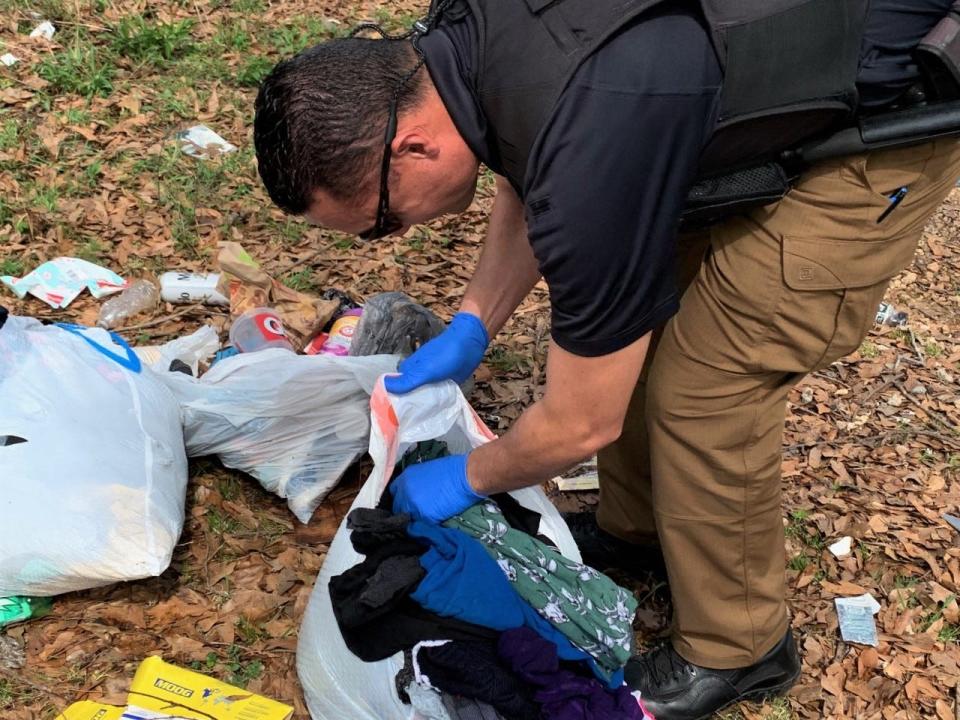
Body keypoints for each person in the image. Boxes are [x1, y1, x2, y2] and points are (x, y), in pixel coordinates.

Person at [253, 1, 960, 717]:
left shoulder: (587, 154)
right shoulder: (459, 44)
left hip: (880, 114)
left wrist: (465, 476)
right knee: (649, 333)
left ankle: (741, 648)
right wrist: (473, 323)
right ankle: (640, 528)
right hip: (724, 83)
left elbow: (580, 424)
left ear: (412, 146)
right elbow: (528, 159)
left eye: (381, 221)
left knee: (707, 385)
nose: (397, 233)